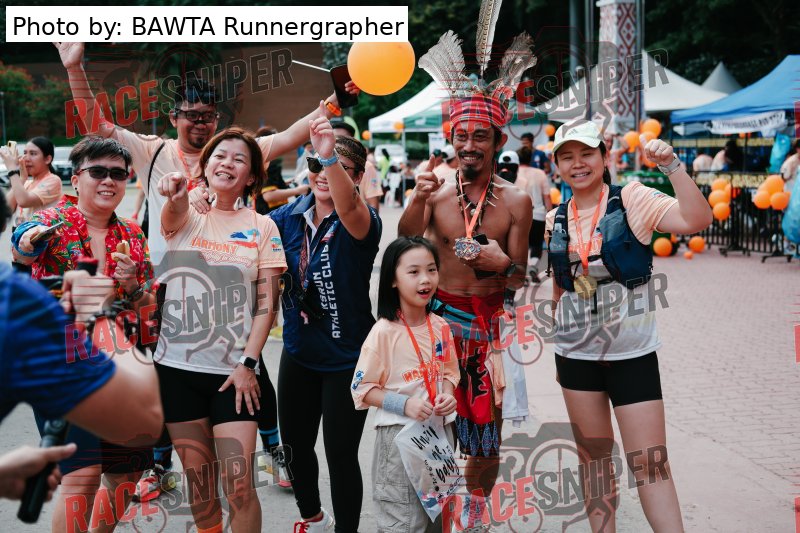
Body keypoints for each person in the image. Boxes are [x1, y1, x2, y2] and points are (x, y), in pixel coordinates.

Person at [56, 40, 355, 497]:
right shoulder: (153, 152)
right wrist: (75, 68)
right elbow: (96, 124)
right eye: (191, 115)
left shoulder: (237, 151)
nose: (200, 122)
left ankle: (273, 451)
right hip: (166, 291)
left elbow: (298, 131)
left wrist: (336, 97)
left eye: (208, 115)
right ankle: (158, 465)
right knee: (166, 379)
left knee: (252, 371)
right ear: (174, 117)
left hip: (230, 289)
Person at [545, 119, 712, 533]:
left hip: (632, 355)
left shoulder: (631, 199)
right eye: (567, 157)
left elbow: (696, 219)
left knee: (650, 464)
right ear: (557, 166)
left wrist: (672, 165)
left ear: (605, 156)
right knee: (594, 462)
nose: (577, 164)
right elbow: (561, 285)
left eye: (587, 153)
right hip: (575, 357)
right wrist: (558, 349)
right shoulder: (554, 217)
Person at [11, 136, 158, 533]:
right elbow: (24, 243)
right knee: (82, 474)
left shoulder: (133, 235)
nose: (108, 180)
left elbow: (149, 311)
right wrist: (25, 243)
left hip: (123, 368)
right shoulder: (53, 222)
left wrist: (134, 287)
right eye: (98, 172)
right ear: (76, 180)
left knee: (126, 475)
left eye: (118, 174)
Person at [157, 127, 286, 533]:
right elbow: (172, 208)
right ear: (206, 164)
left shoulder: (263, 227)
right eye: (220, 155)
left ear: (252, 176)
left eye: (238, 159)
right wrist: (178, 192)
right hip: (177, 369)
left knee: (240, 485)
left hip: (235, 375)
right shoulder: (186, 212)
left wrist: (249, 363)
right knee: (200, 485)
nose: (227, 163)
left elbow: (267, 305)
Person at [269, 106, 381, 532]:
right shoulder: (285, 218)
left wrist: (329, 154)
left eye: (337, 167)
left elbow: (349, 207)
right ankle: (312, 518)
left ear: (357, 177)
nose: (322, 173)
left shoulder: (361, 220)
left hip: (348, 357)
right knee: (294, 448)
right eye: (315, 164)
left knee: (340, 453)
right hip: (299, 350)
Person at [351, 236, 459, 533]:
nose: (425, 279)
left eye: (431, 270)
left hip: (439, 435)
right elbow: (362, 388)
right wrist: (405, 404)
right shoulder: (383, 333)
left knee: (438, 520)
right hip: (398, 438)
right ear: (393, 280)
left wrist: (448, 395)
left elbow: (450, 373)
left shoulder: (441, 326)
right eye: (414, 272)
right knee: (403, 521)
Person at [0, 137, 63, 228]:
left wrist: (12, 169)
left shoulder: (53, 180)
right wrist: (22, 179)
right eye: (25, 153)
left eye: (33, 154)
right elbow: (7, 209)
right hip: (19, 235)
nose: (26, 158)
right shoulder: (26, 183)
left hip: (38, 236)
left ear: (47, 159)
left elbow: (24, 201)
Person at [255, 126, 310, 215]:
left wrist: (284, 183)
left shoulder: (260, 162)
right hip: (271, 214)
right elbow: (269, 196)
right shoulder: (270, 164)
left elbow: (267, 185)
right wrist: (299, 190)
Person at [330, 117, 383, 211]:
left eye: (343, 140)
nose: (338, 144)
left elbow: (373, 202)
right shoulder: (323, 162)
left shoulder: (367, 166)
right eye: (334, 139)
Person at [515, 146, 552, 273]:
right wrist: (550, 215)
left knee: (520, 244)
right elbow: (547, 197)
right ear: (531, 158)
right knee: (536, 244)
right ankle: (533, 266)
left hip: (518, 216)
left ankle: (522, 271)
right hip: (538, 214)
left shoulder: (514, 173)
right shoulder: (540, 173)